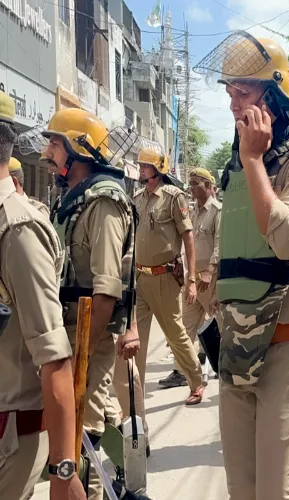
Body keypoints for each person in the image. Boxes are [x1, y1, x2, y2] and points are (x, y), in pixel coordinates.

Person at [194, 31, 289, 499]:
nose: (234, 104)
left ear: (273, 94)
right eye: (230, 93)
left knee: (276, 493)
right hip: (237, 347)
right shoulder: (237, 165)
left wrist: (254, 157)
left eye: (245, 92)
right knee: (243, 492)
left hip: (287, 351)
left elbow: (288, 237)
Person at [21, 107, 139, 499]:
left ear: (78, 149)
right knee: (97, 422)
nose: (49, 151)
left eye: (55, 143)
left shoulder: (104, 204)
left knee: (77, 446)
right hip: (70, 335)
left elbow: (105, 291)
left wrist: (79, 360)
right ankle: (127, 471)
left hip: (90, 338)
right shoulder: (73, 199)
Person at [0, 90, 86, 500]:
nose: (50, 155)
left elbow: (55, 357)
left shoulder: (17, 230)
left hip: (10, 434)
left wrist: (63, 469)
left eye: (58, 145)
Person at [129, 139, 204, 406]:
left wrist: (192, 279)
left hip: (165, 277)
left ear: (157, 168)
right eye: (140, 164)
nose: (140, 168)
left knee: (175, 334)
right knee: (135, 338)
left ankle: (196, 380)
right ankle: (133, 393)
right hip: (140, 278)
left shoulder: (174, 197)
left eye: (145, 165)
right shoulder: (137, 199)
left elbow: (188, 238)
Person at [159, 167, 222, 387]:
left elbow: (219, 245)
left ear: (207, 185)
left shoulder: (217, 211)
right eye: (191, 183)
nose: (192, 188)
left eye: (196, 183)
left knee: (221, 327)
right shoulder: (192, 212)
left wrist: (210, 271)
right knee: (185, 327)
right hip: (193, 280)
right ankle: (181, 371)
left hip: (211, 282)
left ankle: (225, 368)